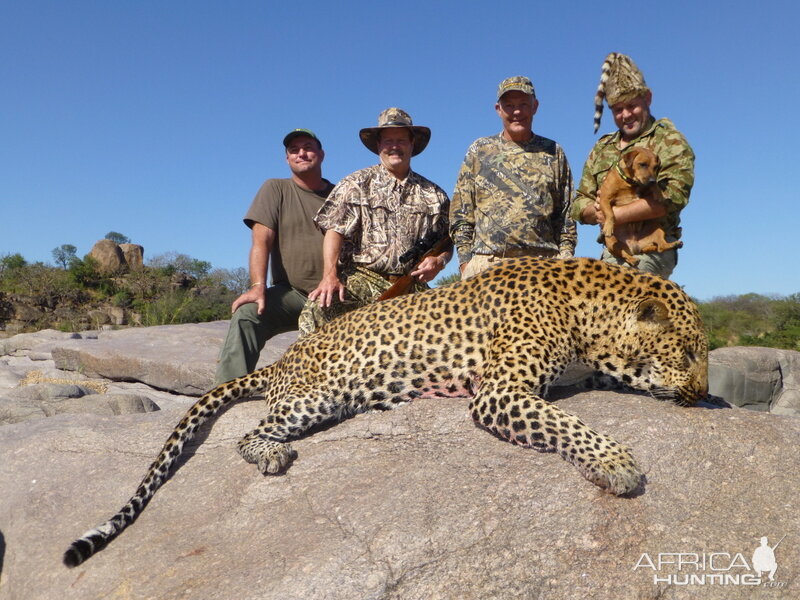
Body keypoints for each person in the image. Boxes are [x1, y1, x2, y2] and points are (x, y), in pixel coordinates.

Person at [298, 108, 450, 335]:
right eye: (388, 141)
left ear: (412, 145)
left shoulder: (435, 195)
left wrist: (439, 262)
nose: (394, 146)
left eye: (401, 140)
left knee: (449, 329)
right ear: (379, 146)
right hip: (361, 278)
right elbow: (334, 231)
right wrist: (329, 276)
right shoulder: (355, 183)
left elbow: (447, 242)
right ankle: (305, 370)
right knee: (318, 308)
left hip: (410, 285)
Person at [214, 129, 335, 384]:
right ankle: (225, 393)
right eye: (294, 150)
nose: (301, 153)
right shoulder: (275, 189)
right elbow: (261, 240)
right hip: (293, 293)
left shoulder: (341, 195)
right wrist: (258, 286)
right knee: (247, 314)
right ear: (287, 159)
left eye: (308, 147)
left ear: (321, 154)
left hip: (335, 296)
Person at [571, 53, 695, 279]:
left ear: (647, 98)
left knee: (624, 290)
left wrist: (614, 215)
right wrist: (595, 211)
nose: (626, 115)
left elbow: (672, 198)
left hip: (653, 244)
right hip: (614, 247)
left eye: (632, 106)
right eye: (617, 109)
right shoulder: (602, 148)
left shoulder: (668, 140)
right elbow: (579, 202)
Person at [450, 76, 576, 280]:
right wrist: (466, 263)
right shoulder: (480, 150)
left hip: (544, 266)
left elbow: (566, 214)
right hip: (488, 265)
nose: (517, 112)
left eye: (523, 104)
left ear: (535, 106)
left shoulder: (553, 152)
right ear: (498, 109)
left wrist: (565, 260)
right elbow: (461, 212)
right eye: (509, 106)